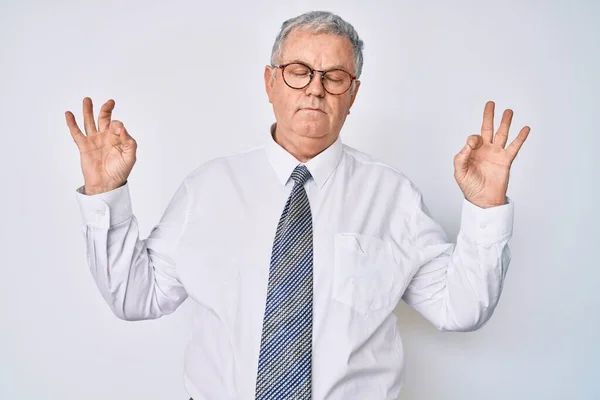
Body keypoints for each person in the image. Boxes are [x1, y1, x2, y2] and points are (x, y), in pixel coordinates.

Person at [66, 10, 530, 400]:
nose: (315, 89)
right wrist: (106, 194)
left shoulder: (393, 196)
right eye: (299, 71)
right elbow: (135, 297)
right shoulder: (207, 188)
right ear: (271, 82)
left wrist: (486, 206)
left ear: (353, 94)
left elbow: (461, 309)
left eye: (335, 77)